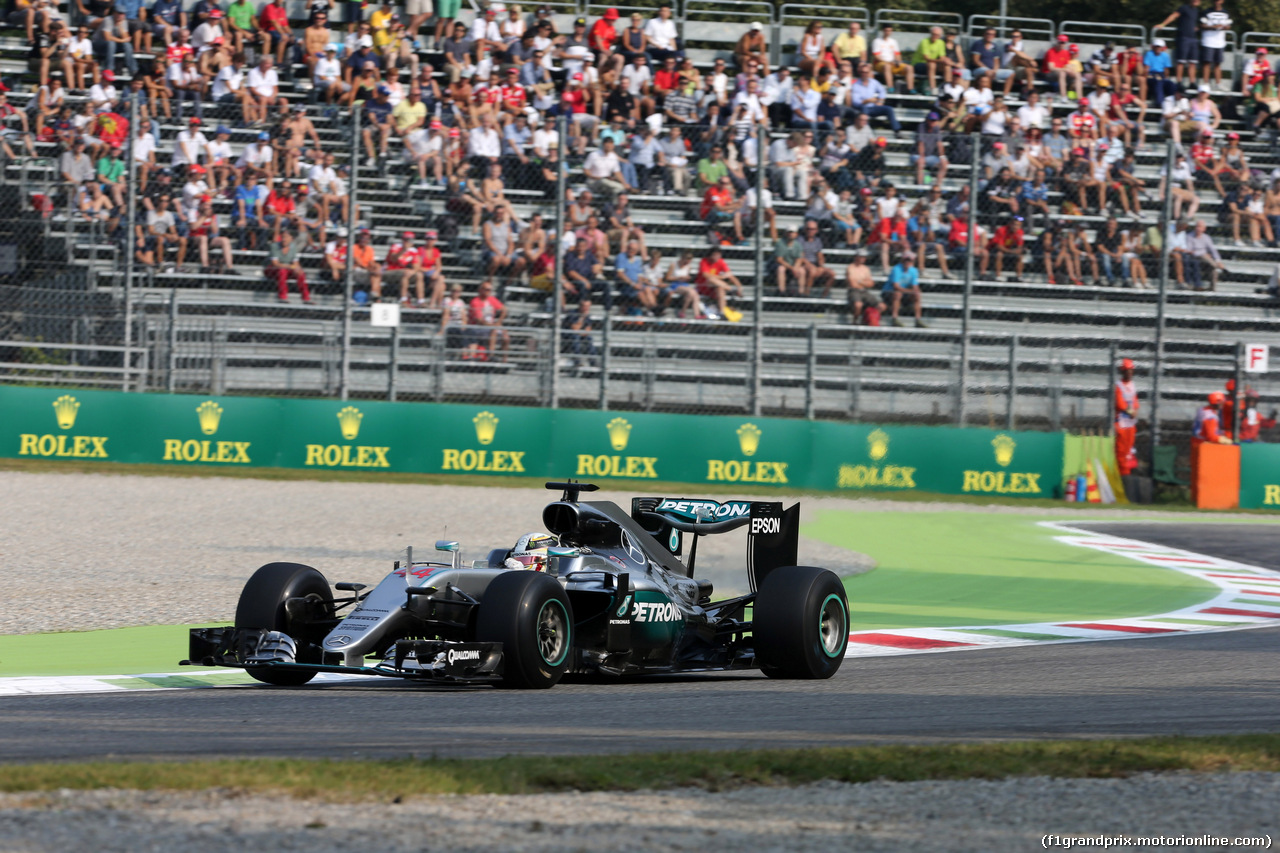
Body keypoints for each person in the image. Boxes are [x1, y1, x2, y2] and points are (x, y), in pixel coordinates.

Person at [1154, 0, 1202, 86]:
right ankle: (1179, 82)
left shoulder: (1196, 11)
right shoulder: (1184, 8)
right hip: (1183, 38)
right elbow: (1174, 15)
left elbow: (1195, 23)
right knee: (1181, 61)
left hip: (1193, 39)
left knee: (1193, 62)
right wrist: (1163, 24)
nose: (1196, 1)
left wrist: (1197, 28)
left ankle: (1192, 83)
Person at [468, 279, 509, 361]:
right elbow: (479, 320)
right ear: (480, 290)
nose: (488, 291)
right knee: (494, 330)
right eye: (486, 289)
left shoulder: (492, 299)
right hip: (477, 328)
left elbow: (504, 310)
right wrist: (494, 326)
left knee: (505, 336)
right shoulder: (475, 301)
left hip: (491, 326)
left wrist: (499, 322)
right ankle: (491, 355)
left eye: (490, 290)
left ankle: (505, 359)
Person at [266, 229, 311, 302]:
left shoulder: (293, 247)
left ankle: (306, 298)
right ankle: (282, 297)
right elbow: (275, 264)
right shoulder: (274, 246)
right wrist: (292, 267)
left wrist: (297, 269)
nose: (284, 239)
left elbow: (296, 263)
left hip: (286, 268)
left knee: (300, 273)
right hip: (272, 269)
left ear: (291, 239)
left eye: (286, 237)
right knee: (282, 271)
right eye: (282, 237)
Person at [883, 252, 924, 327]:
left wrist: (916, 291)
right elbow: (896, 286)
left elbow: (915, 285)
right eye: (906, 260)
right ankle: (894, 318)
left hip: (904, 292)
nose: (907, 262)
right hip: (889, 292)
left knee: (917, 295)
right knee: (898, 294)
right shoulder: (896, 269)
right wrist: (911, 291)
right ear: (902, 260)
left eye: (910, 260)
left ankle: (918, 320)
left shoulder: (913, 270)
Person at [1114, 357, 1140, 475]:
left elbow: (1135, 400)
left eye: (1131, 371)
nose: (1129, 373)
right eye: (1127, 371)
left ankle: (1127, 473)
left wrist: (1135, 410)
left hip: (1130, 424)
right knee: (1121, 451)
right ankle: (1122, 474)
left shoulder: (1133, 385)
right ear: (1122, 371)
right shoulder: (1118, 386)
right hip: (1122, 423)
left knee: (1129, 450)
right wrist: (1131, 412)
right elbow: (1120, 404)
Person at [1184, 219, 1223, 290]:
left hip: (1206, 260)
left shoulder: (1206, 238)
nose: (1198, 228)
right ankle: (1218, 266)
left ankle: (1212, 288)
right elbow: (1189, 251)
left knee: (1214, 270)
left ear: (1204, 229)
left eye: (1200, 227)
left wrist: (1218, 260)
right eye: (1197, 226)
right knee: (1203, 256)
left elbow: (1213, 250)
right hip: (1194, 258)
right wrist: (1203, 254)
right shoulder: (1189, 237)